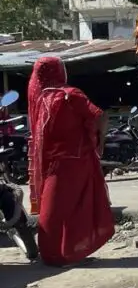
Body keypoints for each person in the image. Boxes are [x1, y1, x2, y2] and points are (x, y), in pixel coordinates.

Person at [27, 56, 114, 267]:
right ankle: (60, 254)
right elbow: (99, 116)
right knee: (75, 206)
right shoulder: (70, 94)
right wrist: (99, 142)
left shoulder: (39, 98)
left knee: (55, 207)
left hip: (53, 163)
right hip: (75, 160)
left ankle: (55, 253)